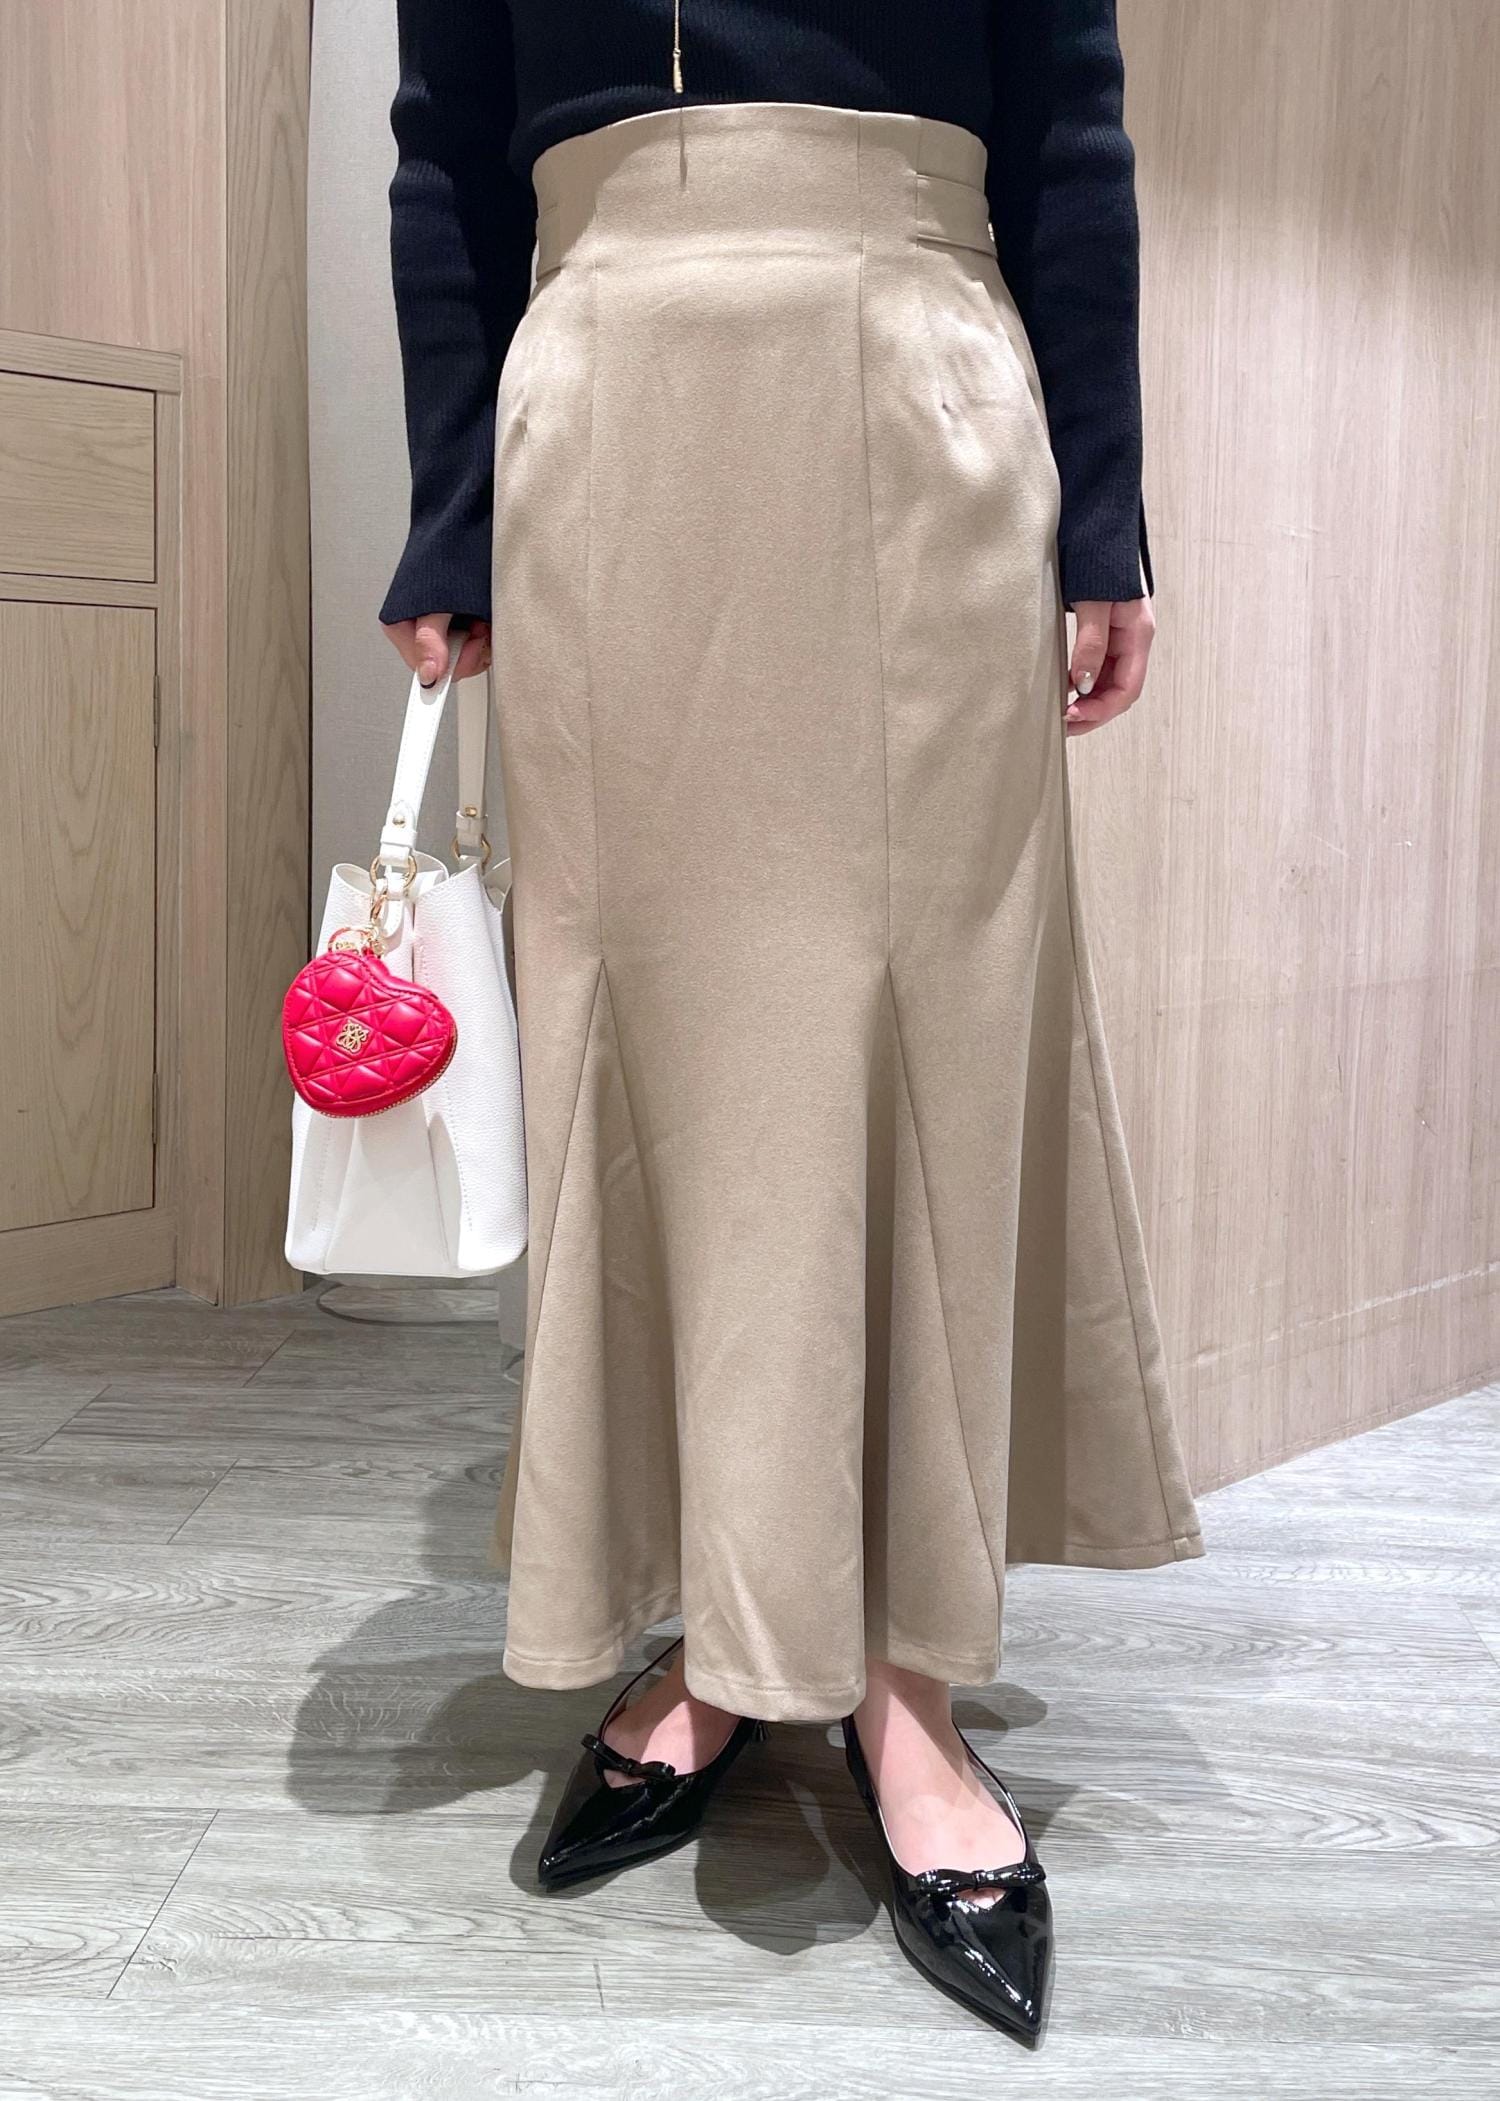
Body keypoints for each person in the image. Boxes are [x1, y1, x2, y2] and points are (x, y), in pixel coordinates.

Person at [377, 0, 1204, 2045]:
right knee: (652, 1058)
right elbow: (447, 154)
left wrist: (1103, 505)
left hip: (913, 393)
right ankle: (728, 1637)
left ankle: (903, 1674)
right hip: (608, 417)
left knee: (925, 1042)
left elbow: (1069, 129)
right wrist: (450, 506)